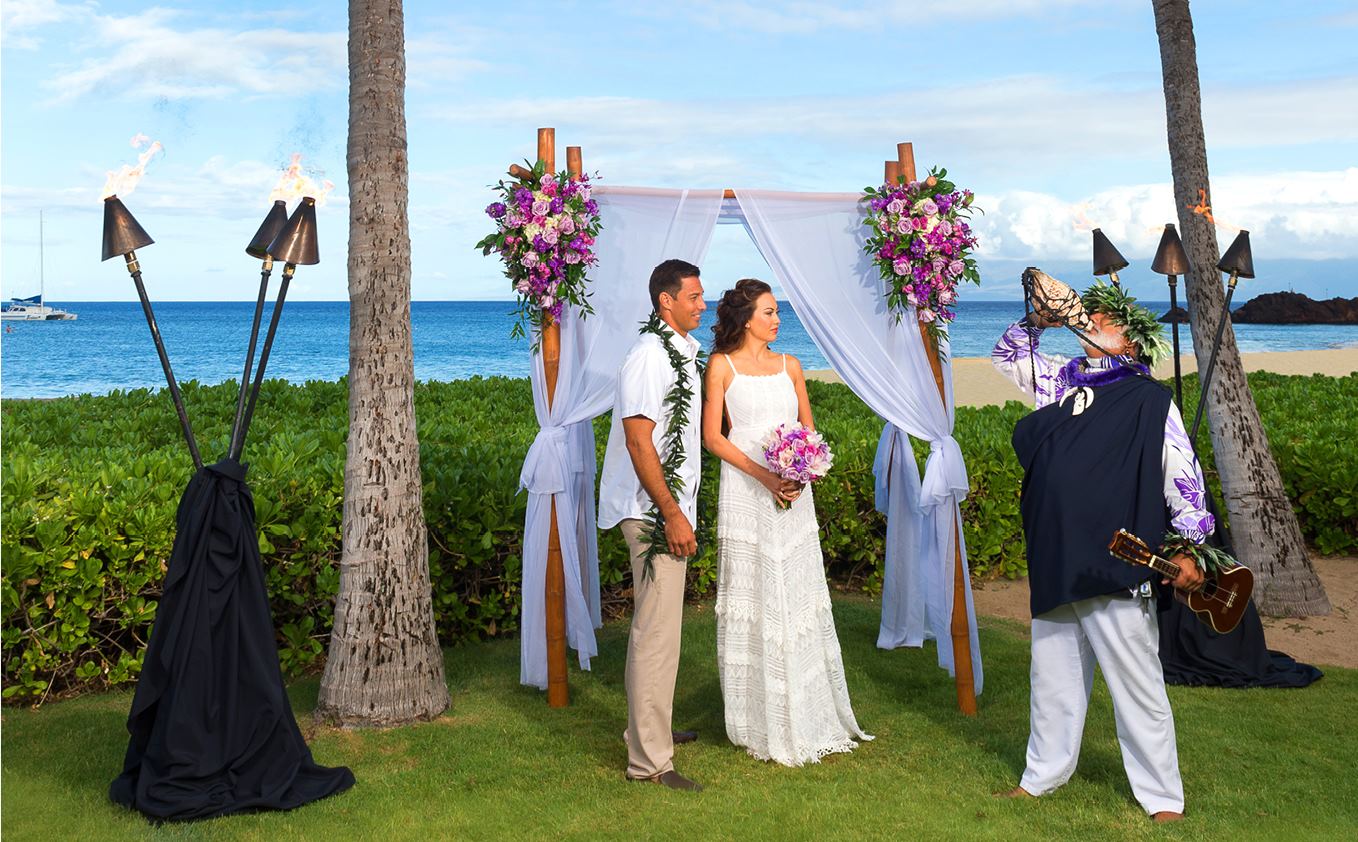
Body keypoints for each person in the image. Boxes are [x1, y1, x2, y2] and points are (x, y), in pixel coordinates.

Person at [992, 279, 1209, 822]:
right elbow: (1006, 354)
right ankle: (1041, 776)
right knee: (1053, 675)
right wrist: (1041, 319)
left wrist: (1191, 547)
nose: (1090, 320)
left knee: (1136, 681)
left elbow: (1181, 472)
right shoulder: (1062, 379)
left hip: (1121, 555)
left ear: (1131, 341)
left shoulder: (1149, 399)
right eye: (1088, 315)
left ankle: (1162, 797)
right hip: (1058, 551)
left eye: (1104, 319)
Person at [701, 278, 872, 766]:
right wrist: (765, 477)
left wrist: (800, 469)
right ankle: (757, 718)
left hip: (793, 491)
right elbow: (714, 438)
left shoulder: (790, 366)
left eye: (777, 312)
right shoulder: (721, 366)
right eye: (770, 311)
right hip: (747, 487)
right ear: (747, 318)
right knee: (754, 589)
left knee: (796, 590)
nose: (778, 319)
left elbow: (809, 431)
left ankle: (811, 711)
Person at [597, 259, 707, 791]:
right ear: (666, 301)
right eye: (693, 297)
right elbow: (639, 441)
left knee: (663, 628)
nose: (702, 304)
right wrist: (671, 512)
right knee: (654, 633)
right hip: (649, 512)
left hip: (663, 505)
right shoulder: (647, 357)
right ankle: (648, 761)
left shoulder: (681, 353)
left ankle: (650, 729)